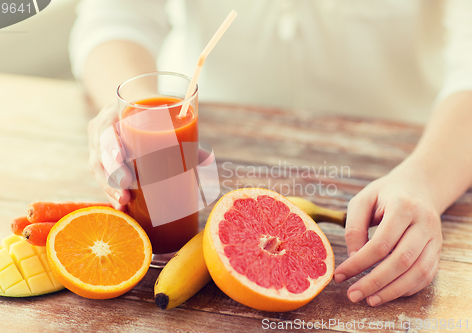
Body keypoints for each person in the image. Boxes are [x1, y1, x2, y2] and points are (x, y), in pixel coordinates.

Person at [70, 0, 472, 307]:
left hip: (410, 154)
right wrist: (135, 116)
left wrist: (425, 180)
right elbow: (113, 20)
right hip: (206, 151)